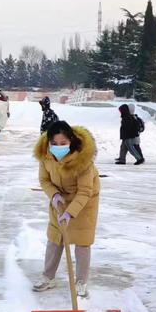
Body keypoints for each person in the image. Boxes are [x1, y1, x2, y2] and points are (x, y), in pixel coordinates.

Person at [33, 121, 100, 297]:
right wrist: (54, 195)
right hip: (59, 200)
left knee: (82, 241)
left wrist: (71, 212)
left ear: (71, 141)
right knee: (55, 238)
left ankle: (81, 282)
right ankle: (48, 277)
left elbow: (86, 190)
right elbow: (44, 180)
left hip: (84, 201)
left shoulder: (83, 160)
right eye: (54, 143)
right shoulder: (45, 156)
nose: (58, 147)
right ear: (48, 142)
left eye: (63, 143)